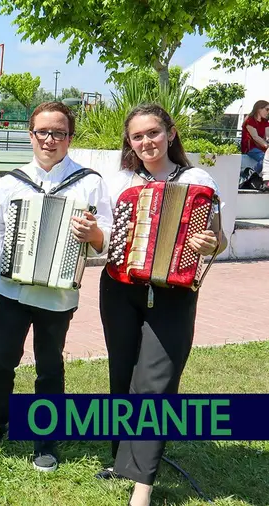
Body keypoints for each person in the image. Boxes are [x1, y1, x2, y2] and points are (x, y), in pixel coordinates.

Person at [0, 102, 112, 472]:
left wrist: (94, 234)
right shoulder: (13, 181)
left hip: (58, 296)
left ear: (69, 138)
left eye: (58, 132)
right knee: (0, 362)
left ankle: (46, 441)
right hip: (11, 291)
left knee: (49, 367)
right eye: (42, 132)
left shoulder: (90, 182)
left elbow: (107, 237)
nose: (49, 139)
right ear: (30, 136)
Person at [97, 104, 226, 506]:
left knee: (157, 382)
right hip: (119, 287)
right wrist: (96, 236)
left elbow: (219, 239)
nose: (146, 142)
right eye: (137, 137)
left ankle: (143, 486)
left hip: (174, 292)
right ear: (129, 142)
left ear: (170, 133)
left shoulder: (197, 179)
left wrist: (210, 244)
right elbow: (105, 237)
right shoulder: (119, 181)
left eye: (153, 133)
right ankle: (122, 459)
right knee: (123, 374)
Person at [241, 100, 269, 167]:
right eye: (267, 109)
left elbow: (268, 136)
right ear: (259, 109)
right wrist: (267, 146)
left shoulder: (265, 122)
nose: (268, 112)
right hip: (250, 148)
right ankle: (251, 174)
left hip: (262, 147)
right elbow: (255, 137)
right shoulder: (249, 120)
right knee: (266, 160)